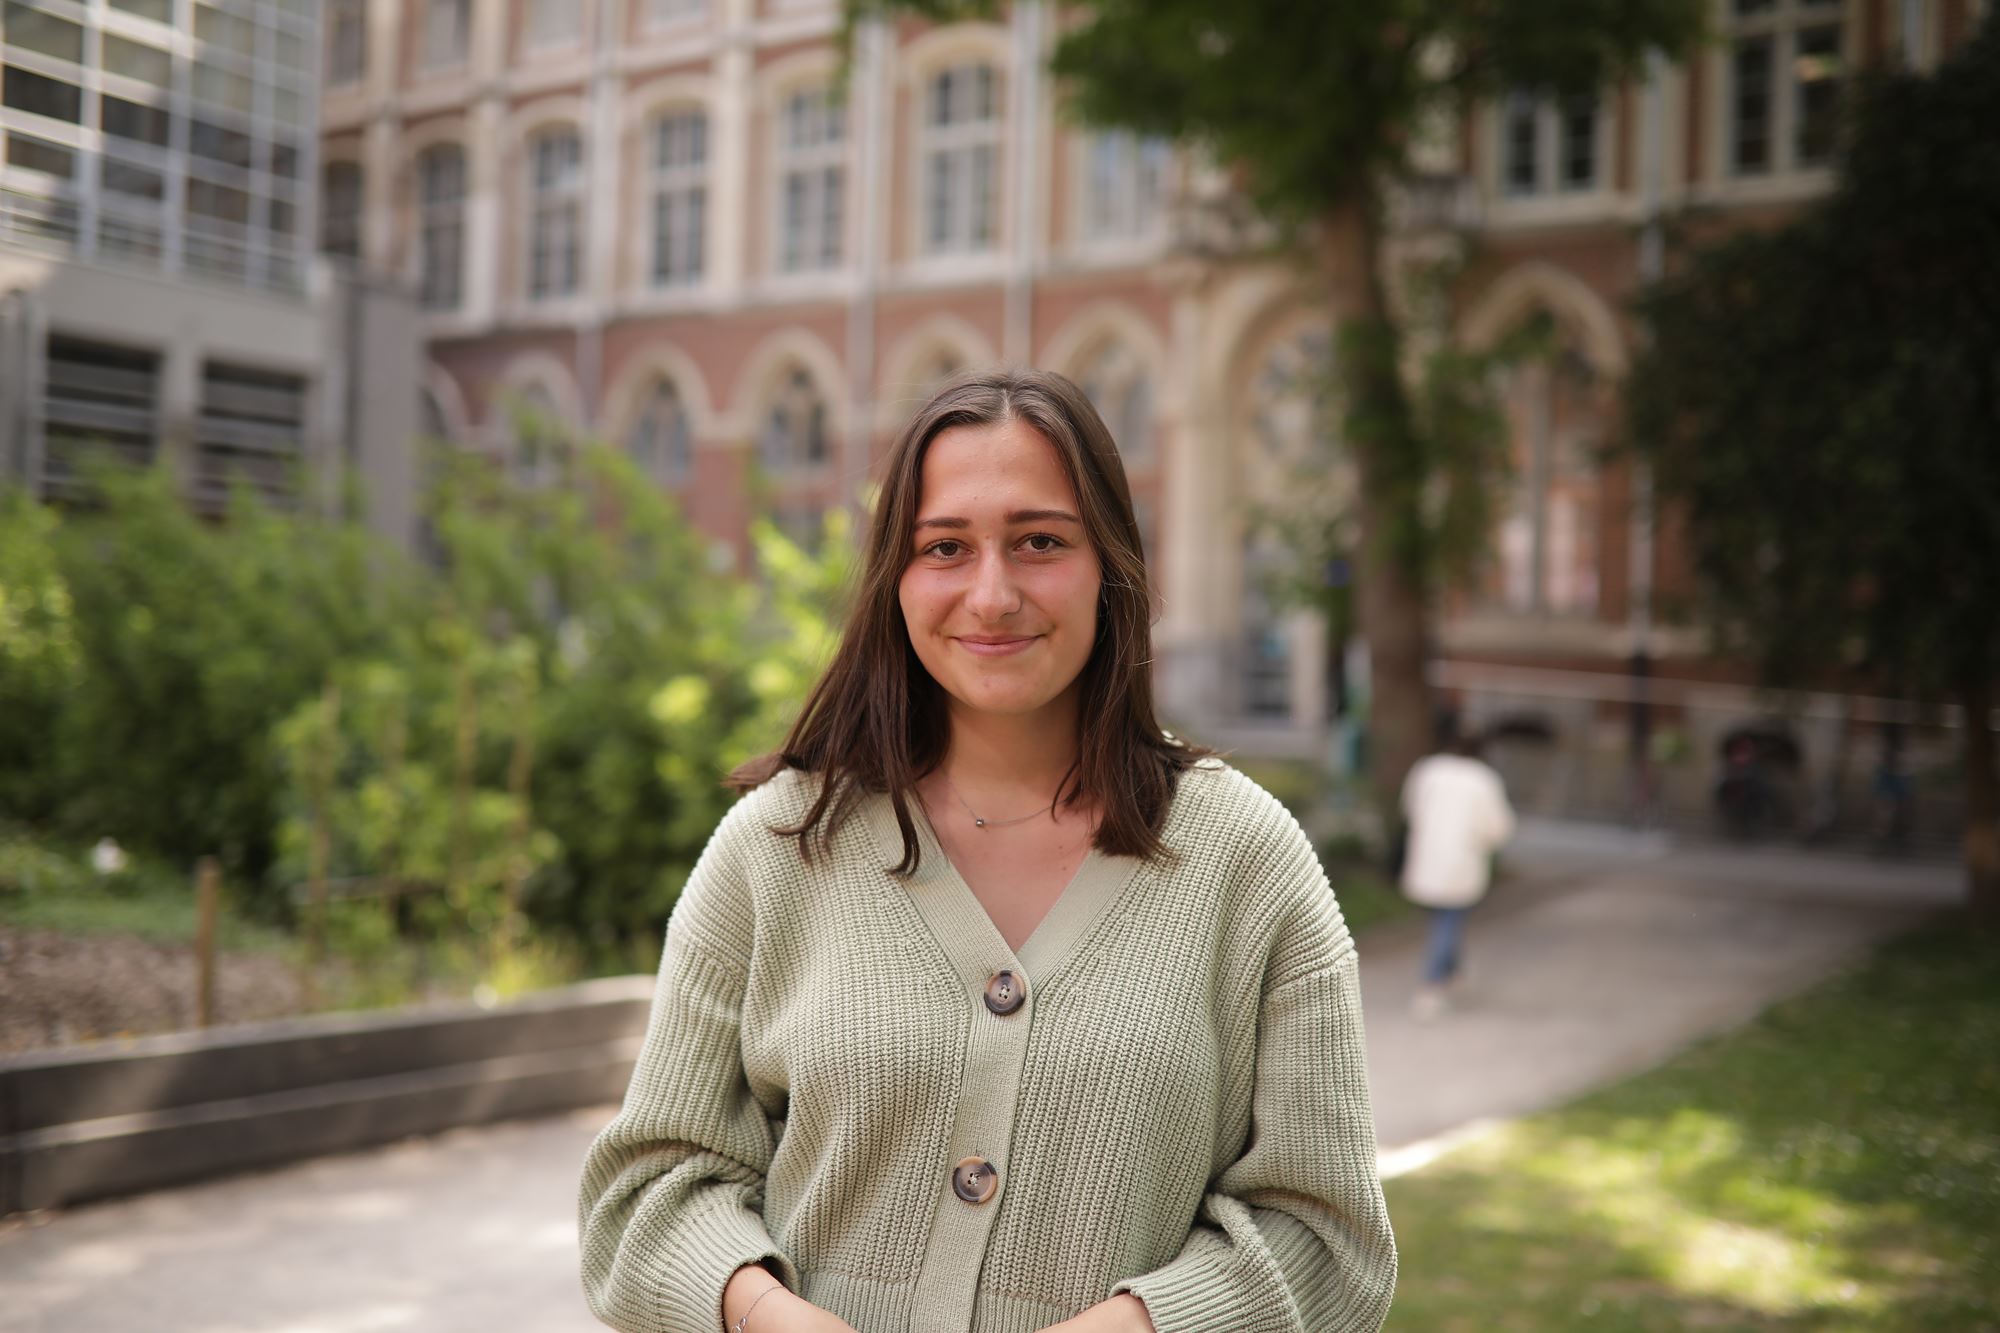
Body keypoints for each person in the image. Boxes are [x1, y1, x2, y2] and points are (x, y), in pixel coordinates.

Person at [577, 370, 1396, 1333]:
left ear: (1111, 565)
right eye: (946, 548)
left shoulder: (1247, 861)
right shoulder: (778, 843)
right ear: (898, 578)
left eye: (1040, 541)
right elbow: (647, 1191)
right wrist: (766, 1313)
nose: (993, 593)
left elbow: (1329, 1237)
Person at [1398, 721, 1515, 1020]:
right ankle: (1431, 984)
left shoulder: (1428, 771)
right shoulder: (1482, 779)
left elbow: (1409, 808)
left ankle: (1453, 971)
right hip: (1461, 862)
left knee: (1444, 919)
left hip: (1427, 858)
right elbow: (1498, 828)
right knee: (1448, 921)